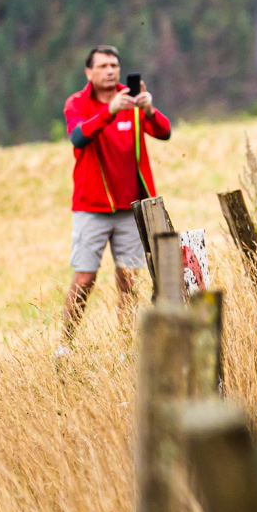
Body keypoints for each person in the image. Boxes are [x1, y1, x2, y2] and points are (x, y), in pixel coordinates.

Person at [61, 44, 171, 343]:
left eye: (114, 66)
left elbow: (164, 132)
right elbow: (78, 137)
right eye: (103, 66)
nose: (110, 71)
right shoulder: (77, 103)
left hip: (130, 207)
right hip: (91, 206)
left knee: (128, 279)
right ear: (89, 72)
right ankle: (65, 344)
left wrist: (148, 110)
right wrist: (110, 112)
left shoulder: (132, 99)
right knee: (85, 277)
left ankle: (125, 345)